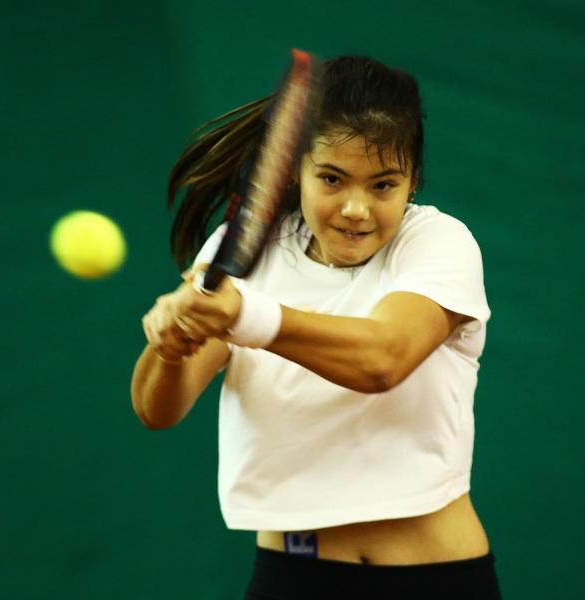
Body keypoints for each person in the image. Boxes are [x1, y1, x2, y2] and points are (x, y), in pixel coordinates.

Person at [131, 55, 502, 599]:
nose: (356, 208)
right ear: (295, 170)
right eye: (332, 178)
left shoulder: (439, 243)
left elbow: (382, 360)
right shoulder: (248, 253)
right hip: (293, 577)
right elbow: (157, 409)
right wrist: (172, 343)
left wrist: (246, 316)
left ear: (412, 182)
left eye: (383, 185)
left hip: (432, 579)